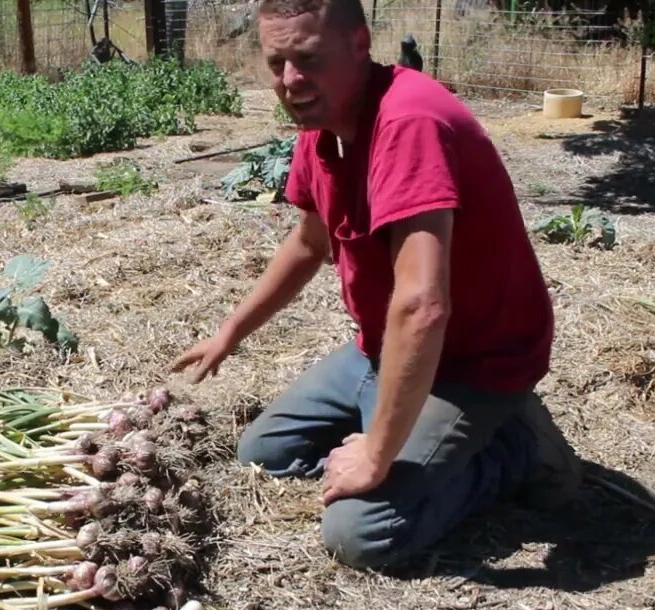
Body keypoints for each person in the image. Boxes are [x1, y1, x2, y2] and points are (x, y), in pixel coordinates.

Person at [171, 0, 582, 571]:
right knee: (264, 454)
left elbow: (422, 306)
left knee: (362, 533)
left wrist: (377, 455)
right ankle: (398, 422)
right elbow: (310, 243)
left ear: (358, 43)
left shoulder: (409, 122)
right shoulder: (324, 127)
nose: (290, 81)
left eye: (308, 59)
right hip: (384, 348)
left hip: (475, 362)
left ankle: (515, 450)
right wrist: (230, 332)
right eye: (277, 63)